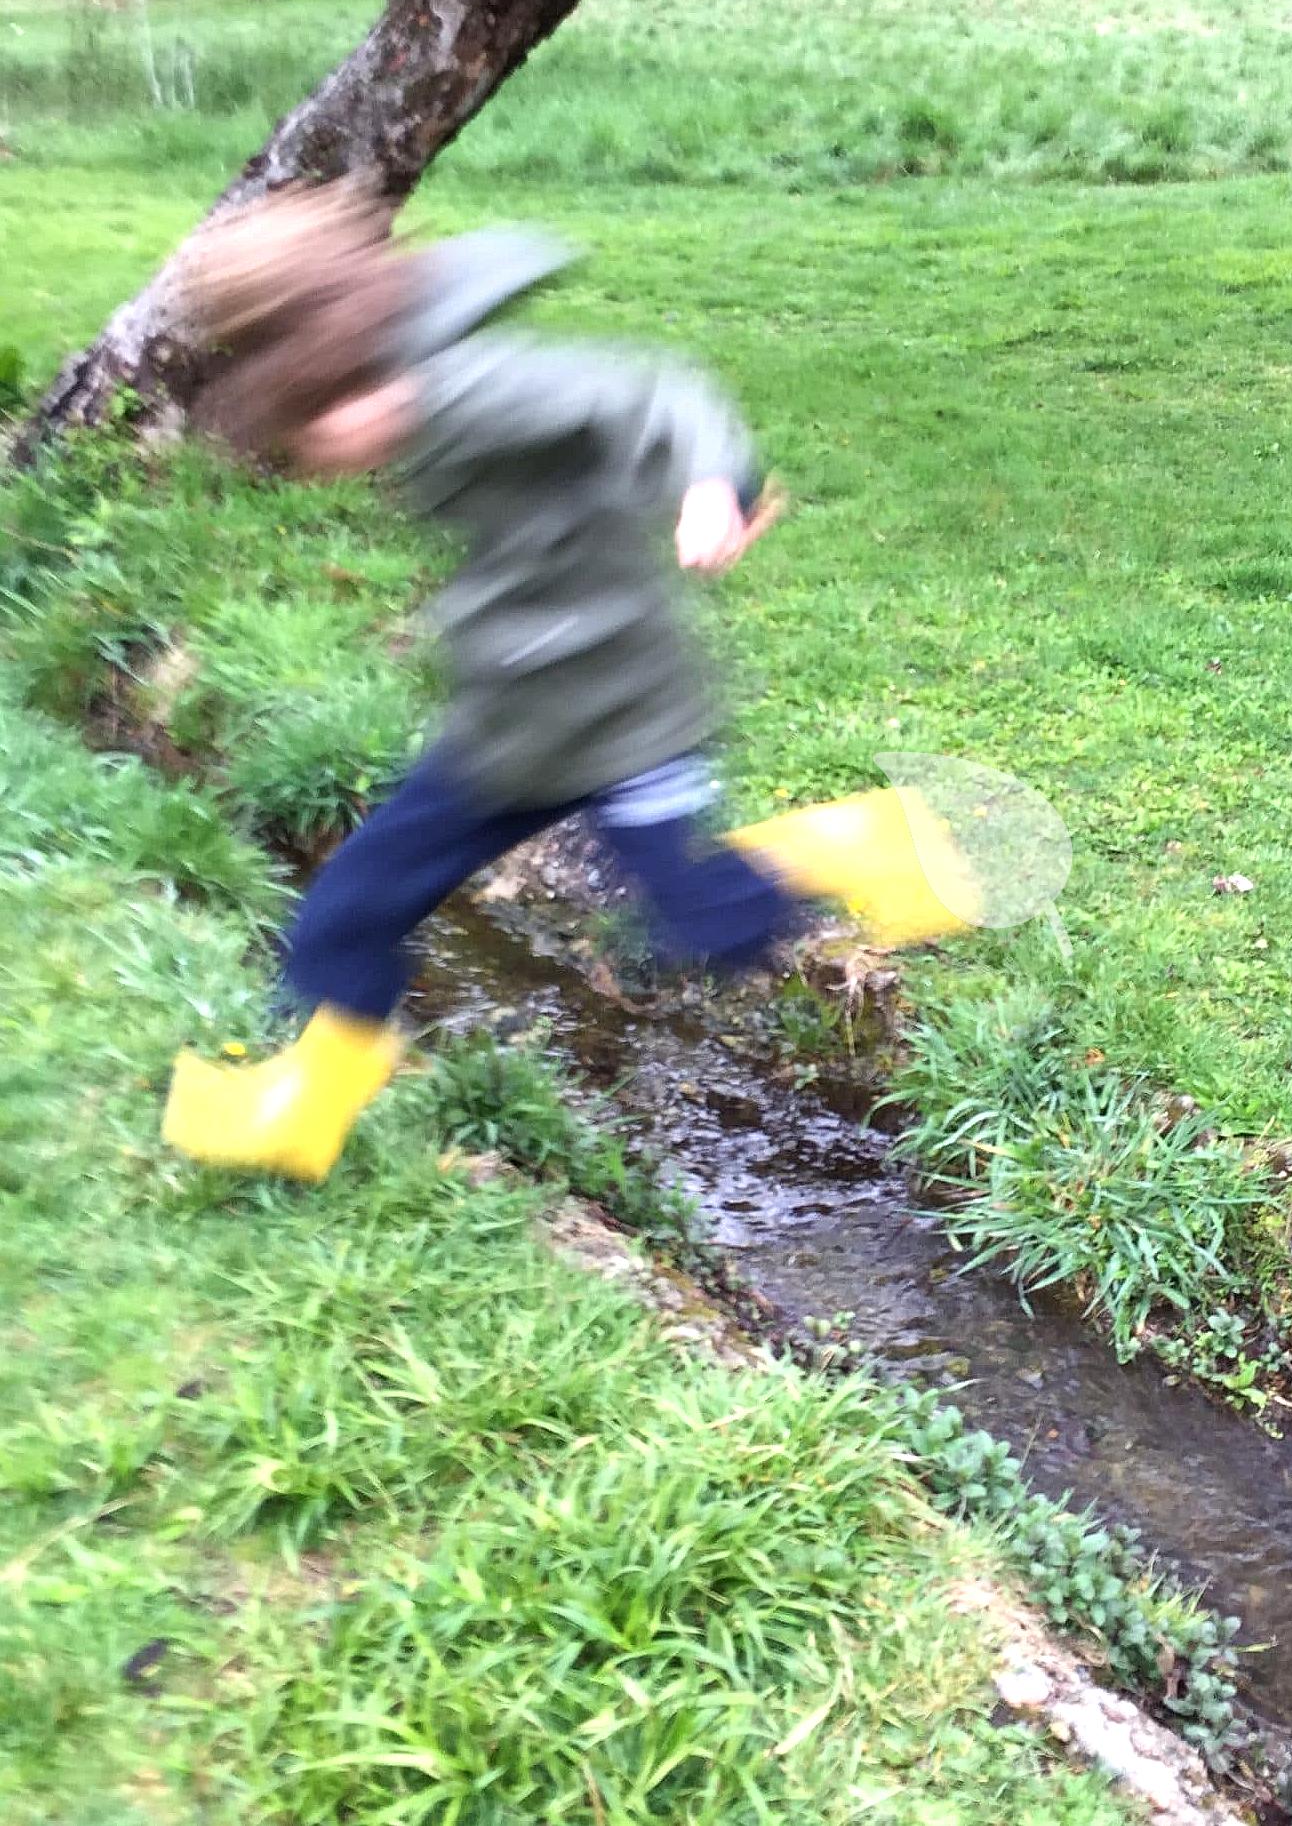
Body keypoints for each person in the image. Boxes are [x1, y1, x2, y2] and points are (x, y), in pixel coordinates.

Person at [162, 182, 970, 1183]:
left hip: (619, 717)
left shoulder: (477, 384)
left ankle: (861, 839)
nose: (321, 451)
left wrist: (716, 484)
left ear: (357, 369)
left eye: (318, 420)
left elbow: (654, 392)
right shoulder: (411, 405)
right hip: (511, 730)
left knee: (712, 925)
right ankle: (303, 1103)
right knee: (351, 904)